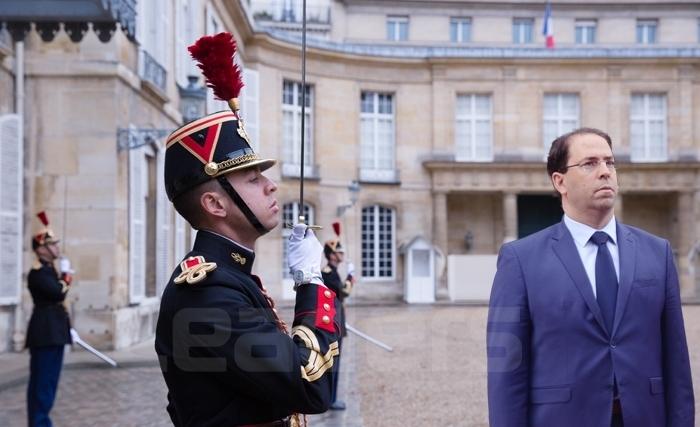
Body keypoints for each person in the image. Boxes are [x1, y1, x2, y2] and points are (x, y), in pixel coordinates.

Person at [155, 32, 340, 427]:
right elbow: (310, 383)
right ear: (215, 204)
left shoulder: (230, 275)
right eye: (253, 179)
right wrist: (312, 284)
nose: (271, 185)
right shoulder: (206, 293)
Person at [487, 128, 695, 427]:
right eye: (590, 163)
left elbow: (677, 362)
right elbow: (506, 369)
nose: (604, 172)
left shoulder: (657, 253)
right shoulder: (520, 260)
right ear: (560, 181)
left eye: (610, 163)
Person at [25, 211, 73, 427]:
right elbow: (58, 293)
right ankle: (39, 423)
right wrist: (66, 276)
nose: (57, 248)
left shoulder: (47, 270)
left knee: (48, 383)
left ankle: (40, 421)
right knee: (42, 384)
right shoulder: (38, 273)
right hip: (46, 333)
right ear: (41, 249)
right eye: (52, 245)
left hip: (54, 331)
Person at [321, 225, 355, 411]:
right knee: (333, 364)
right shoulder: (329, 274)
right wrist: (351, 276)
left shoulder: (331, 273)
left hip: (335, 321)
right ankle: (330, 400)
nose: (342, 255)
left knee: (334, 363)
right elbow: (344, 293)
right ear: (332, 255)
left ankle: (330, 398)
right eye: (339, 252)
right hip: (332, 324)